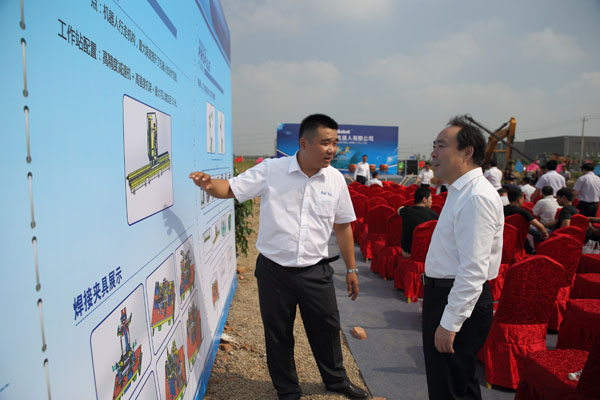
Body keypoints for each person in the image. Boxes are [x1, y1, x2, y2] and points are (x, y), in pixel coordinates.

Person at [189, 114, 367, 400]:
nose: (332, 150)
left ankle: (336, 381)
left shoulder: (335, 179)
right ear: (304, 143)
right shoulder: (272, 170)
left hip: (316, 271)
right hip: (275, 271)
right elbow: (231, 189)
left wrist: (351, 269)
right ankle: (287, 389)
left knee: (327, 328)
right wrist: (210, 185)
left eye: (335, 143)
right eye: (325, 143)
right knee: (278, 333)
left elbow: (343, 226)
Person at [423, 115, 503, 400]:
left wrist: (450, 322)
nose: (433, 153)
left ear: (467, 152)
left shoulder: (476, 196)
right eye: (434, 145)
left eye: (441, 146)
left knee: (451, 389)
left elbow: (473, 270)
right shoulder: (460, 190)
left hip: (457, 298)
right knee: (453, 385)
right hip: (447, 295)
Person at [504, 187, 549, 252]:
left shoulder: (502, 210)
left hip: (504, 240)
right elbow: (540, 226)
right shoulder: (523, 212)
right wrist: (545, 234)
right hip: (519, 241)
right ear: (519, 199)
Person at [398, 187, 439, 258]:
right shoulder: (434, 215)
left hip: (408, 253)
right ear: (424, 200)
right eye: (430, 199)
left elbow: (399, 209)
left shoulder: (406, 211)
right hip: (428, 253)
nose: (432, 202)